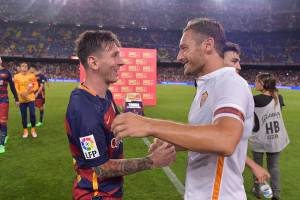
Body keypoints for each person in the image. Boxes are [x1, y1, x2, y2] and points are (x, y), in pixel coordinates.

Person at [112, 18, 254, 200]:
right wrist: (173, 142)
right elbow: (206, 136)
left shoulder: (230, 82)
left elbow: (225, 140)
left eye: (184, 48)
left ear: (208, 45)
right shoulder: (206, 86)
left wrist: (149, 124)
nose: (179, 57)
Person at [65, 30, 176, 200]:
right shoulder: (83, 110)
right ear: (93, 62)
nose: (121, 62)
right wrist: (151, 160)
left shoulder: (105, 95)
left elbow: (115, 128)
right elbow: (101, 168)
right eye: (115, 55)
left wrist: (152, 131)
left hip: (111, 192)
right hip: (95, 195)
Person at [223, 42, 271, 185]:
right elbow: (223, 139)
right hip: (221, 180)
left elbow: (227, 140)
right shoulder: (215, 89)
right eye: (234, 61)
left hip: (228, 179)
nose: (239, 67)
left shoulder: (239, 89)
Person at [249, 73, 289, 200]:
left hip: (260, 138)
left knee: (257, 166)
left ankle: (258, 190)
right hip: (276, 138)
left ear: (262, 83)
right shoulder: (279, 97)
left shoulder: (255, 99)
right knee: (274, 167)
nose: (255, 83)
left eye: (256, 81)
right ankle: (276, 194)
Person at [14, 62, 38, 138]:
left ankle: (33, 130)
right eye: (22, 66)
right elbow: (16, 87)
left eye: (25, 66)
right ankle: (25, 131)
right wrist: (21, 93)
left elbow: (36, 85)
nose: (24, 67)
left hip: (30, 98)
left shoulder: (32, 76)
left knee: (32, 114)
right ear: (20, 68)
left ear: (27, 68)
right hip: (22, 99)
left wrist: (31, 91)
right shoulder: (16, 76)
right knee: (24, 116)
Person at [0, 57, 19, 153]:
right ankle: (5, 134)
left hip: (3, 100)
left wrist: (16, 99)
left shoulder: (6, 72)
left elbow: (12, 86)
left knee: (2, 121)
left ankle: (1, 144)